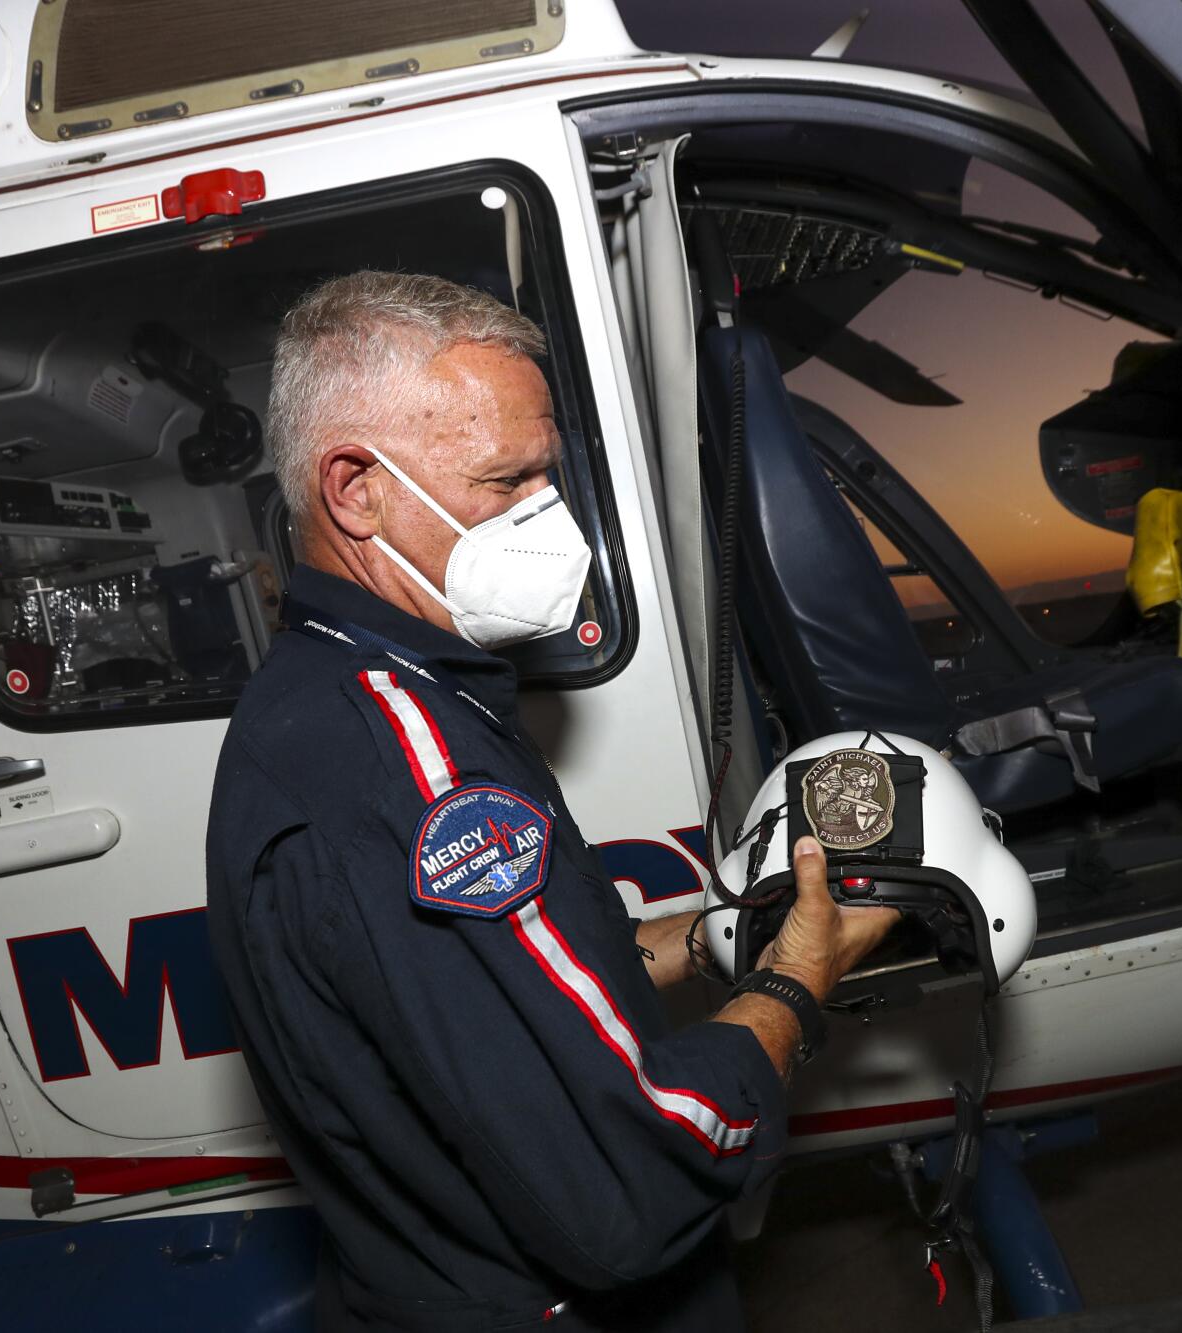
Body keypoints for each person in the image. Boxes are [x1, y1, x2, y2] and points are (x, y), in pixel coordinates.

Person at [206, 271, 898, 1332]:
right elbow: (634, 1177)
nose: (550, 521)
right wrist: (798, 975)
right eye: (504, 481)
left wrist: (703, 937)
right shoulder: (416, 760)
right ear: (355, 488)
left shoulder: (318, 700)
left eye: (548, 479)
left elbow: (469, 998)